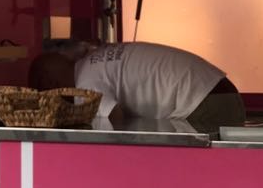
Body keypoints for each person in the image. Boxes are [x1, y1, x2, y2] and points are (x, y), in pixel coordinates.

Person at [30, 41, 246, 130]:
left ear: (49, 82)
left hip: (201, 103)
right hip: (216, 90)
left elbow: (113, 120)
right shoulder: (94, 61)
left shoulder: (84, 83)